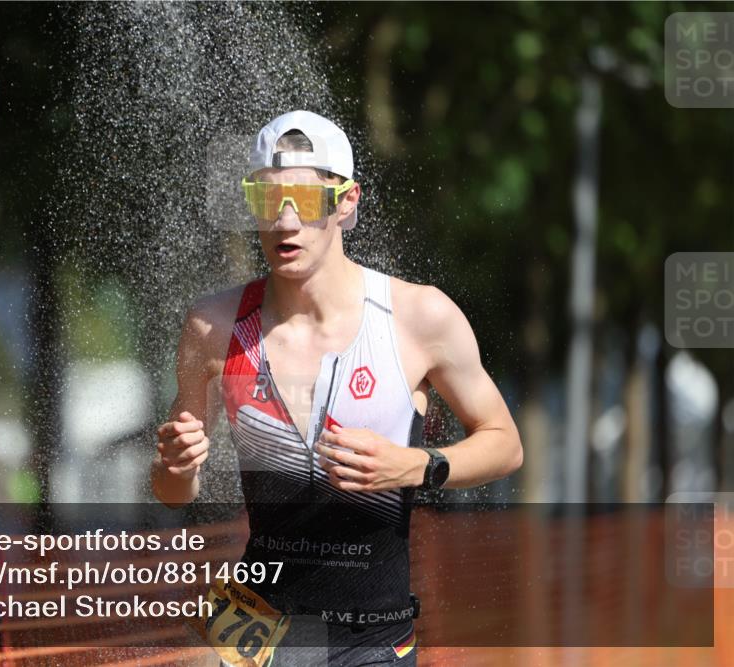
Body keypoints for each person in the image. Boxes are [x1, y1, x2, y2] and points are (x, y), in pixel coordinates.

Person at [151, 110, 523, 667]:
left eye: (302, 200)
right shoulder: (212, 326)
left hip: (372, 638)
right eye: (264, 199)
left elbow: (505, 443)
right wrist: (176, 467)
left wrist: (416, 466)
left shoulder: (417, 315)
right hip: (256, 629)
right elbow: (173, 491)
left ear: (346, 203)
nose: (282, 222)